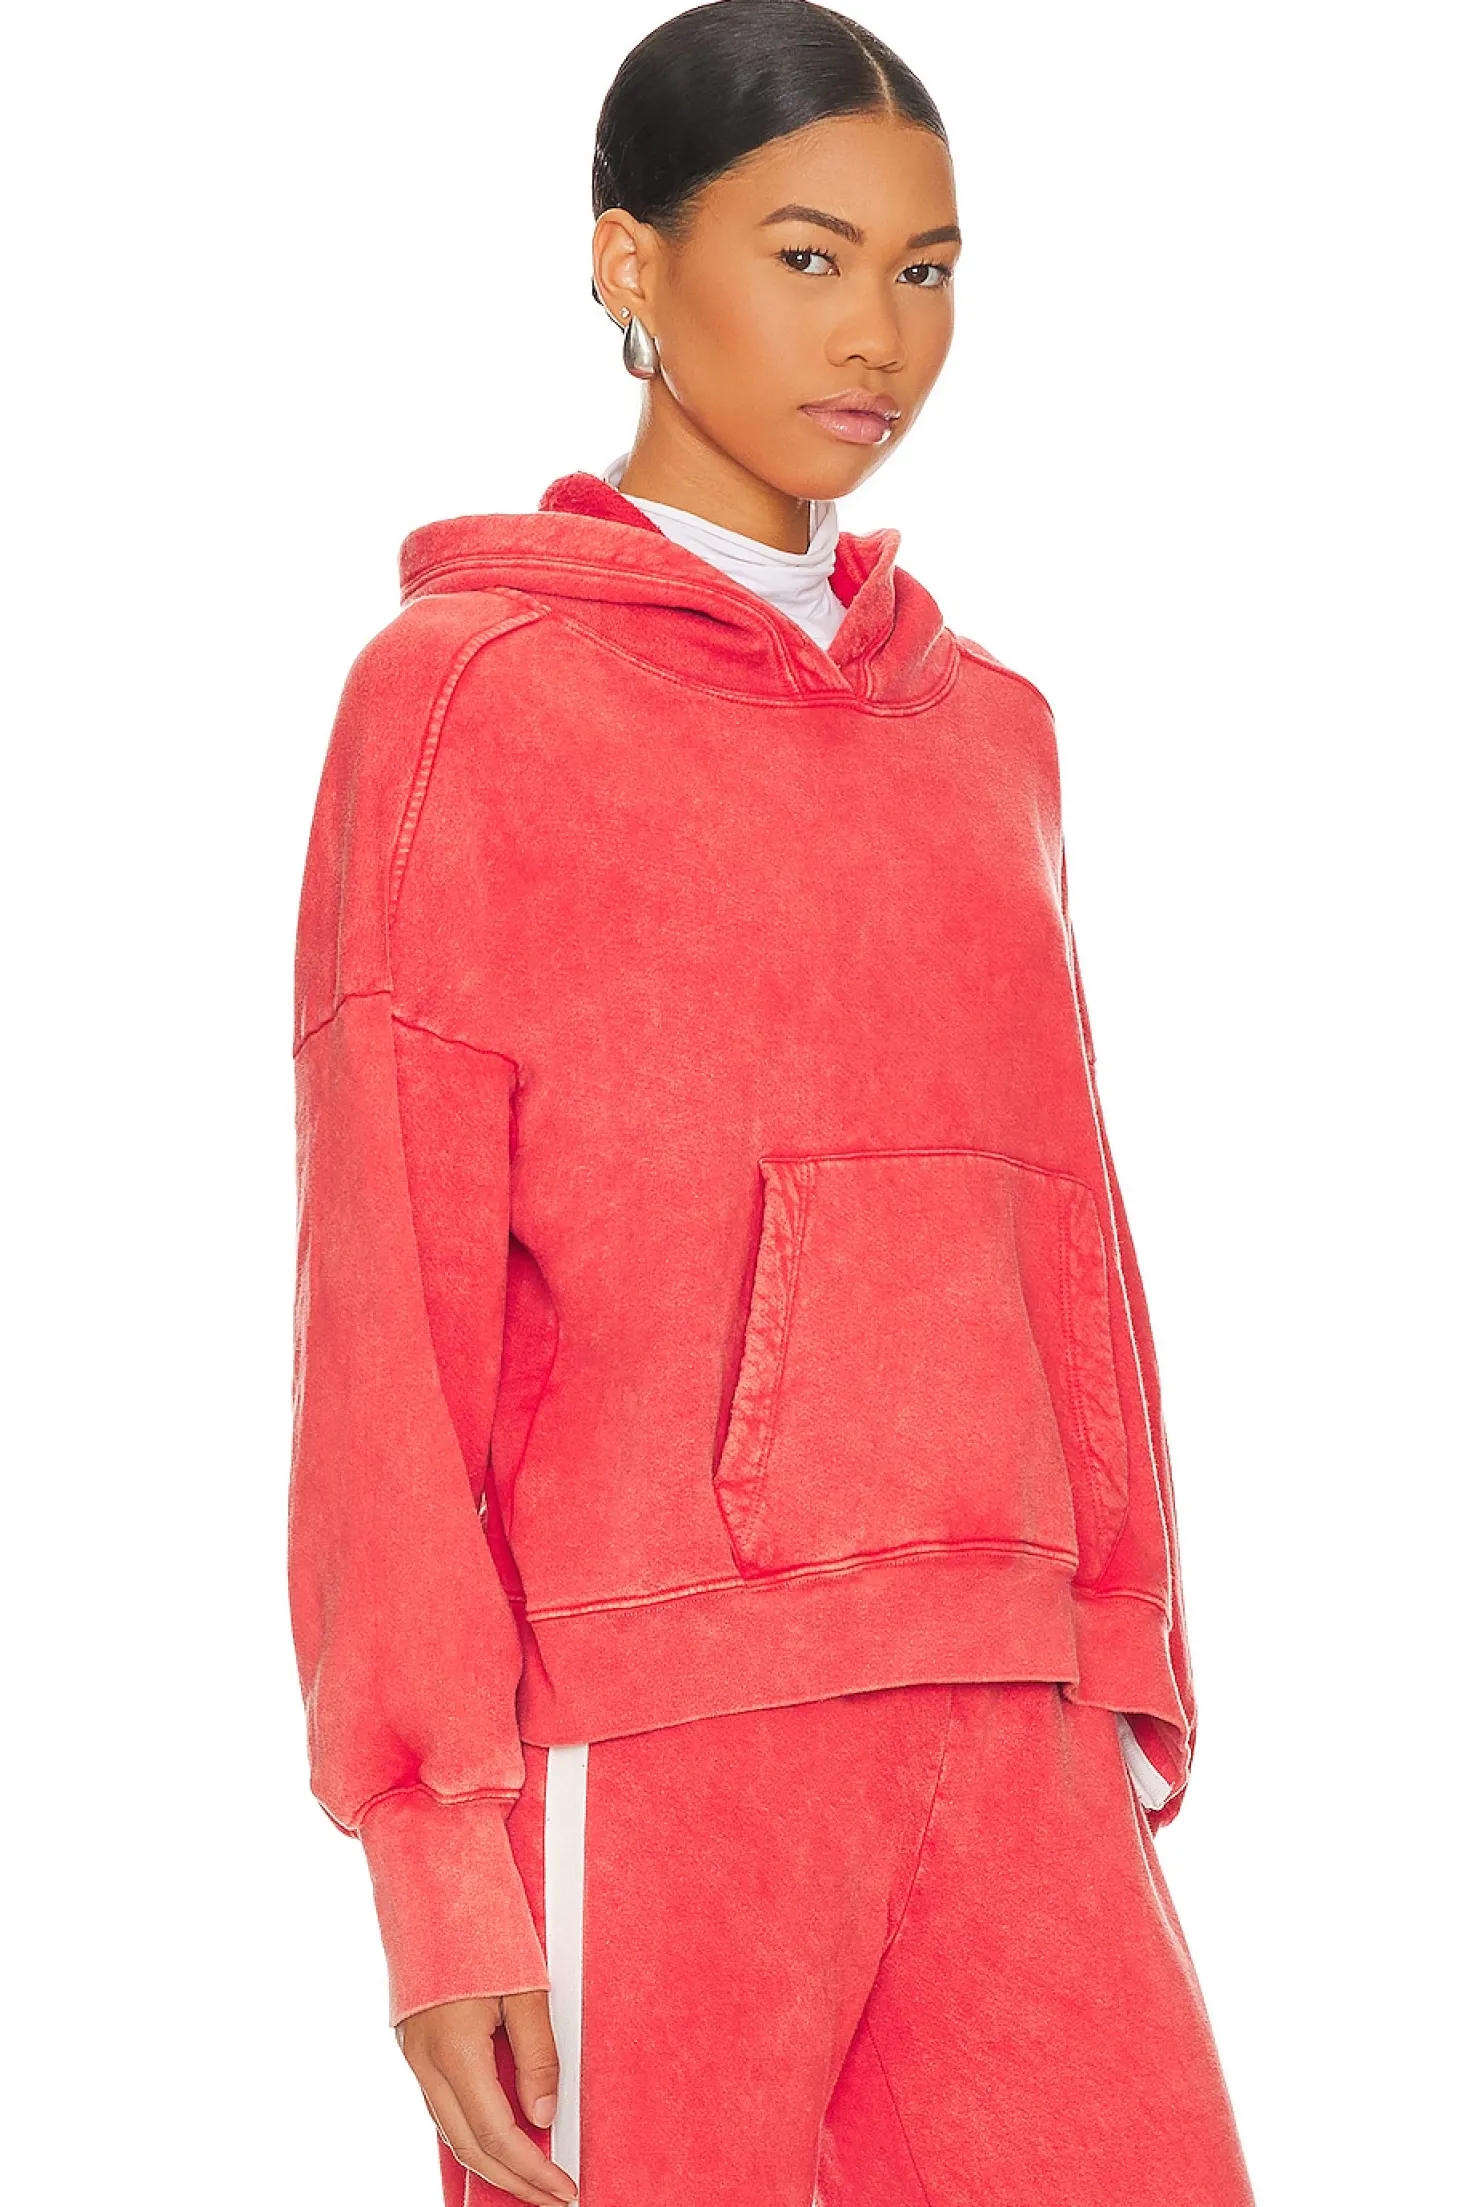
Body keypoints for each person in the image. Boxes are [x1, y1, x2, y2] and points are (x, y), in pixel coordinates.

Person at [287, 4, 1255, 2201]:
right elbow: (386, 1312)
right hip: (662, 1722)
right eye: (808, 257)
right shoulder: (466, 698)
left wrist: (1120, 1656)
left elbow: (1072, 1225)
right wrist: (437, 1855)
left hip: (1011, 1702)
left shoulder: (989, 728)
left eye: (927, 269)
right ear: (630, 263)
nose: (877, 334)